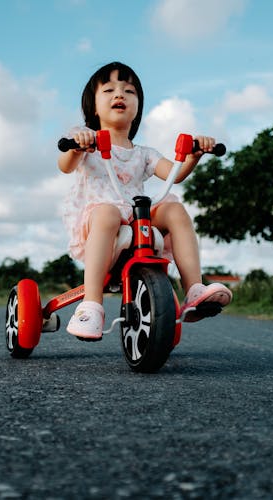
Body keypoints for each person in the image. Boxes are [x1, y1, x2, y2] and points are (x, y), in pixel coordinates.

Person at [58, 61, 232, 339]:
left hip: (137, 222)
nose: (120, 95)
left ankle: (195, 289)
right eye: (110, 90)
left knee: (174, 209)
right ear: (93, 106)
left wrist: (193, 156)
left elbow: (174, 175)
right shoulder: (87, 143)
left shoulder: (144, 154)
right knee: (108, 213)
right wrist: (77, 145)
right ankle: (91, 305)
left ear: (137, 107)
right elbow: (65, 165)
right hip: (103, 226)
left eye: (129, 90)